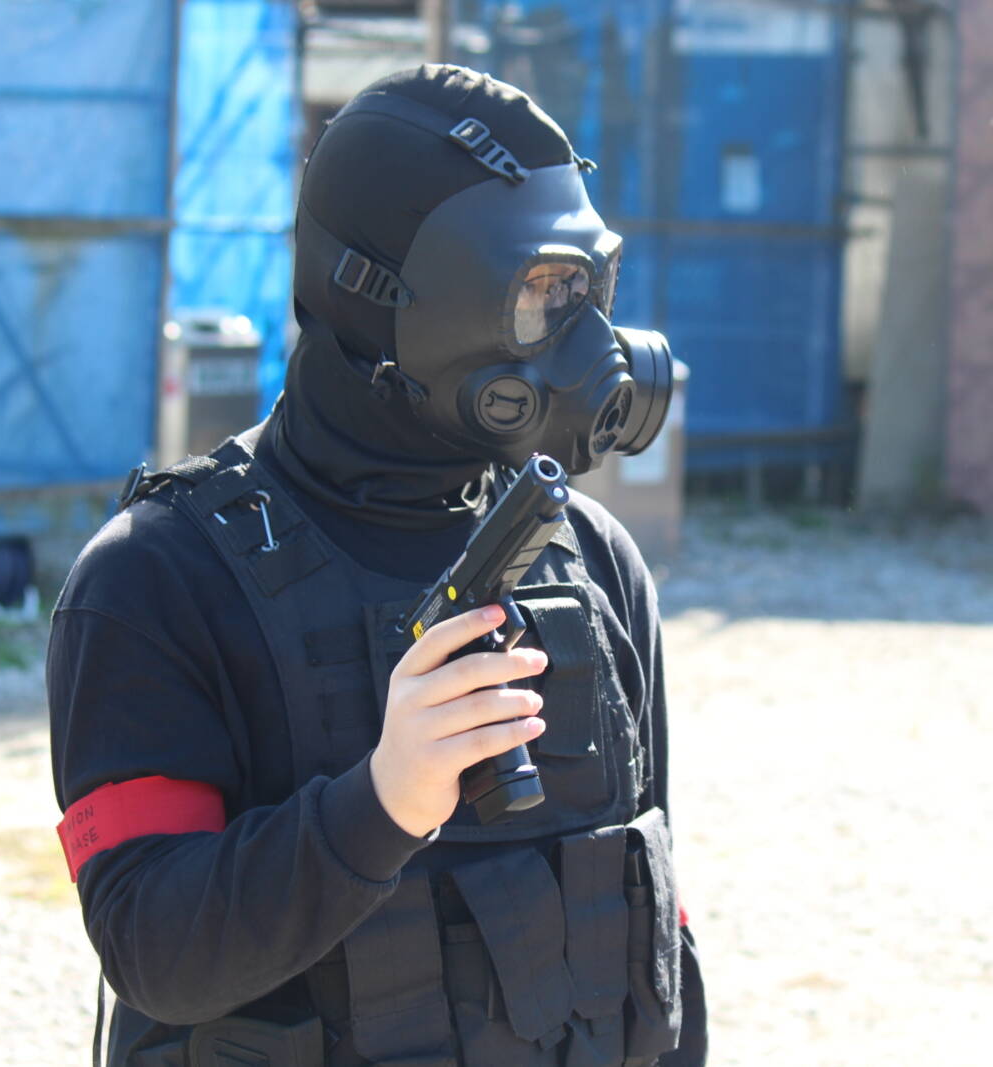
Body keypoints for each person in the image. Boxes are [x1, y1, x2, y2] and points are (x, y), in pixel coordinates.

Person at [48, 64, 707, 1067]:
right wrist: (384, 802)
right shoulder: (156, 578)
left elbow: (651, 928)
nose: (584, 342)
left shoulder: (593, 558)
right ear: (383, 296)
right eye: (538, 293)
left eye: (585, 290)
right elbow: (153, 950)